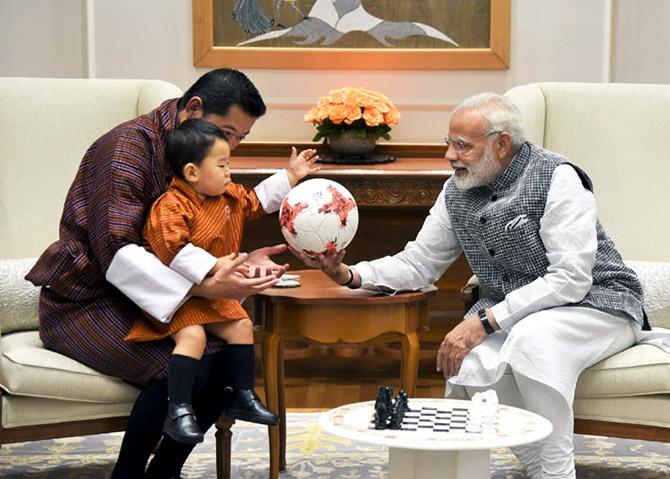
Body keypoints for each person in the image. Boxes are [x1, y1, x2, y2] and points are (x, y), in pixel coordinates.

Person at [294, 92, 650, 479]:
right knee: (468, 362)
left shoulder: (558, 178)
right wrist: (348, 274)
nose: (450, 155)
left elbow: (571, 278)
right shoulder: (455, 192)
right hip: (515, 316)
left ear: (501, 144)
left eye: (463, 146)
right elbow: (418, 263)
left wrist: (482, 323)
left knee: (534, 338)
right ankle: (518, 467)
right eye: (448, 143)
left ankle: (556, 472)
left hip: (598, 304)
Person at [25, 68, 318, 478]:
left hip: (150, 297)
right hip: (85, 303)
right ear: (193, 108)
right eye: (227, 132)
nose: (230, 146)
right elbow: (118, 252)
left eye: (239, 138)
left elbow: (209, 230)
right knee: (181, 364)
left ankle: (163, 471)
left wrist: (238, 260)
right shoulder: (125, 150)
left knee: (225, 363)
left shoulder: (195, 153)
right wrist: (206, 283)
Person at [125, 119, 317, 443]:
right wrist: (215, 264)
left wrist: (290, 175)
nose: (230, 171)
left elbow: (256, 200)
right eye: (222, 164)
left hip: (214, 294)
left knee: (241, 326)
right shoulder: (170, 205)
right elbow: (173, 250)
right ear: (192, 172)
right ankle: (179, 410)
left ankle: (242, 395)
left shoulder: (227, 196)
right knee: (193, 338)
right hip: (181, 296)